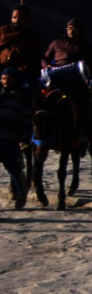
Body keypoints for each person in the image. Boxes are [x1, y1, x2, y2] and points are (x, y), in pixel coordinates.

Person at [0, 67, 33, 208]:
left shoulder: (21, 99)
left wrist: (25, 139)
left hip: (12, 139)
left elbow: (27, 121)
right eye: (3, 78)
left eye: (9, 78)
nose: (6, 81)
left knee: (14, 169)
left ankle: (21, 192)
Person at [0, 4, 41, 91]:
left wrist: (22, 69)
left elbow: (35, 57)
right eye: (14, 17)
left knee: (27, 89)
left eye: (20, 18)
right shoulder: (3, 30)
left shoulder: (33, 36)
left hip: (19, 71)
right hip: (1, 68)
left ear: (26, 18)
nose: (16, 21)